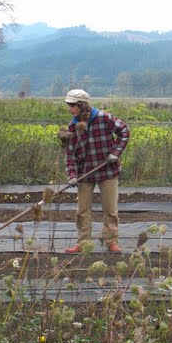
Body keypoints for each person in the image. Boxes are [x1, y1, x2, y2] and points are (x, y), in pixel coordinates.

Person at [62, 89, 130, 254]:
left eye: (72, 106)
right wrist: (72, 175)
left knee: (110, 211)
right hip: (85, 173)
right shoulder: (72, 127)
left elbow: (124, 131)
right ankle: (83, 243)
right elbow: (70, 154)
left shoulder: (104, 118)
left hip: (107, 171)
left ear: (81, 105)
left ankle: (111, 242)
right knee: (82, 211)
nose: (70, 109)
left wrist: (116, 152)